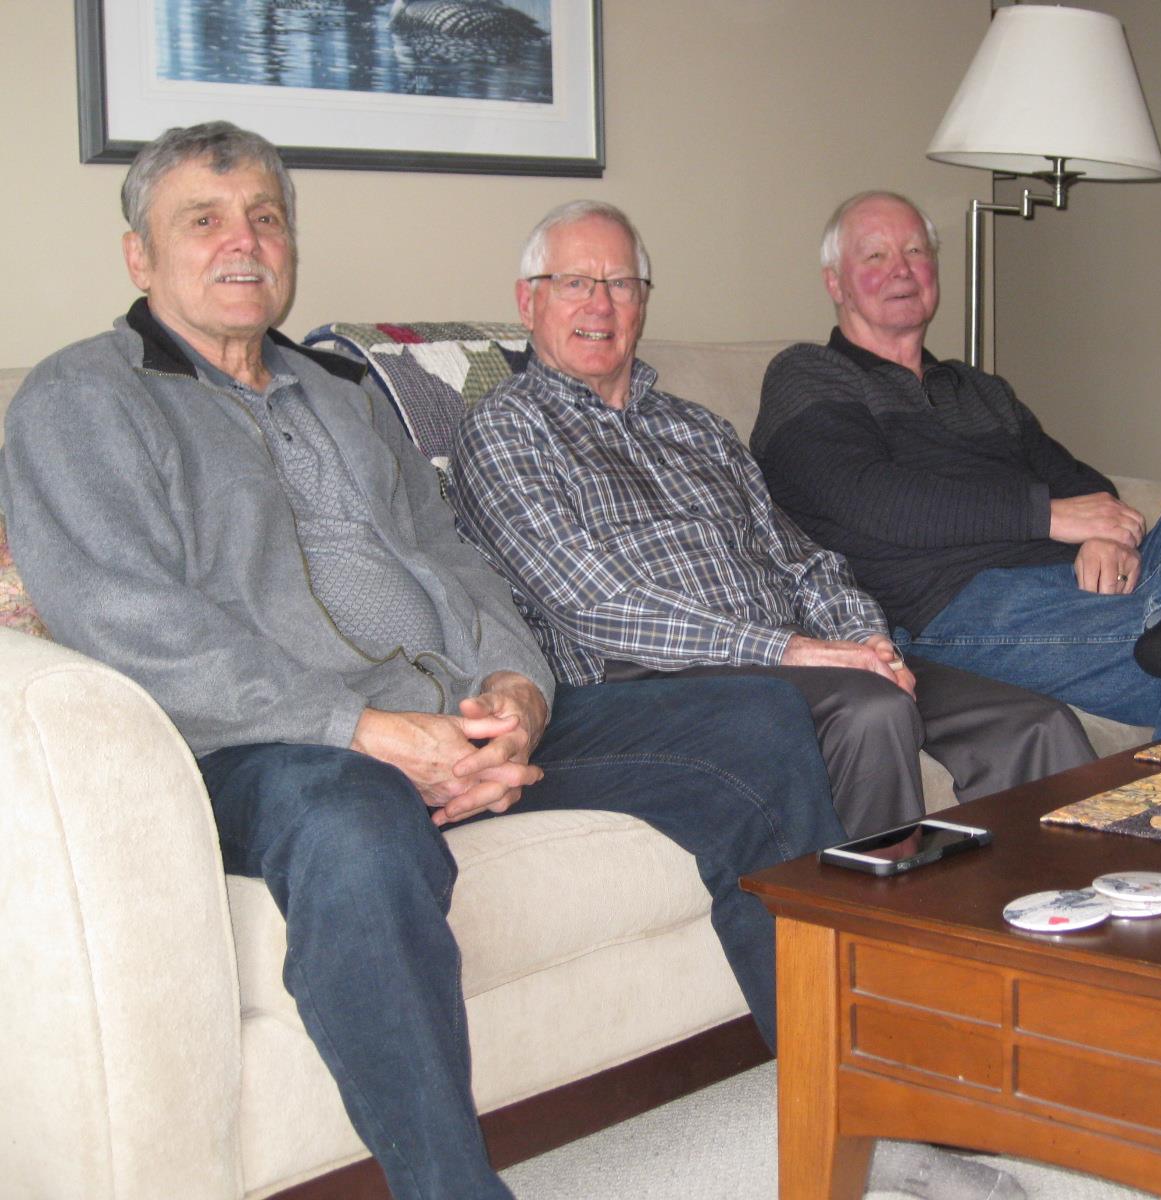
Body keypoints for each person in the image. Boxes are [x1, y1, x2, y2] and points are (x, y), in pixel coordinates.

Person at [0, 123, 848, 1200]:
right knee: (356, 827)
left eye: (265, 217)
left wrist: (514, 690)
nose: (242, 242)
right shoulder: (85, 400)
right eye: (202, 221)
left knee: (757, 724)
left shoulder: (341, 395)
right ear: (140, 256)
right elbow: (125, 618)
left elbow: (451, 552)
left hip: (447, 714)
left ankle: (841, 1084)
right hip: (259, 748)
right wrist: (365, 733)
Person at [451, 200, 1093, 840]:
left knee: (1035, 723)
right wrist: (793, 650)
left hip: (793, 656)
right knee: (870, 710)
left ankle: (1050, 927)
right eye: (574, 284)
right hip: (651, 674)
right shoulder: (507, 426)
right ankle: (868, 932)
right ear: (527, 301)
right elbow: (591, 600)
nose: (601, 305)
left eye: (621, 283)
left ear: (643, 301)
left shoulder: (697, 427)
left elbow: (801, 558)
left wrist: (866, 639)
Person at [753, 191, 1161, 741]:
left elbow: (1080, 481)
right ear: (835, 283)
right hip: (953, 607)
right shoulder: (808, 374)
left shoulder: (980, 389)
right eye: (874, 256)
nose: (901, 269)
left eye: (916, 251)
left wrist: (1109, 539)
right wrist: (1052, 518)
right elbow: (873, 498)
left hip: (1081, 585)